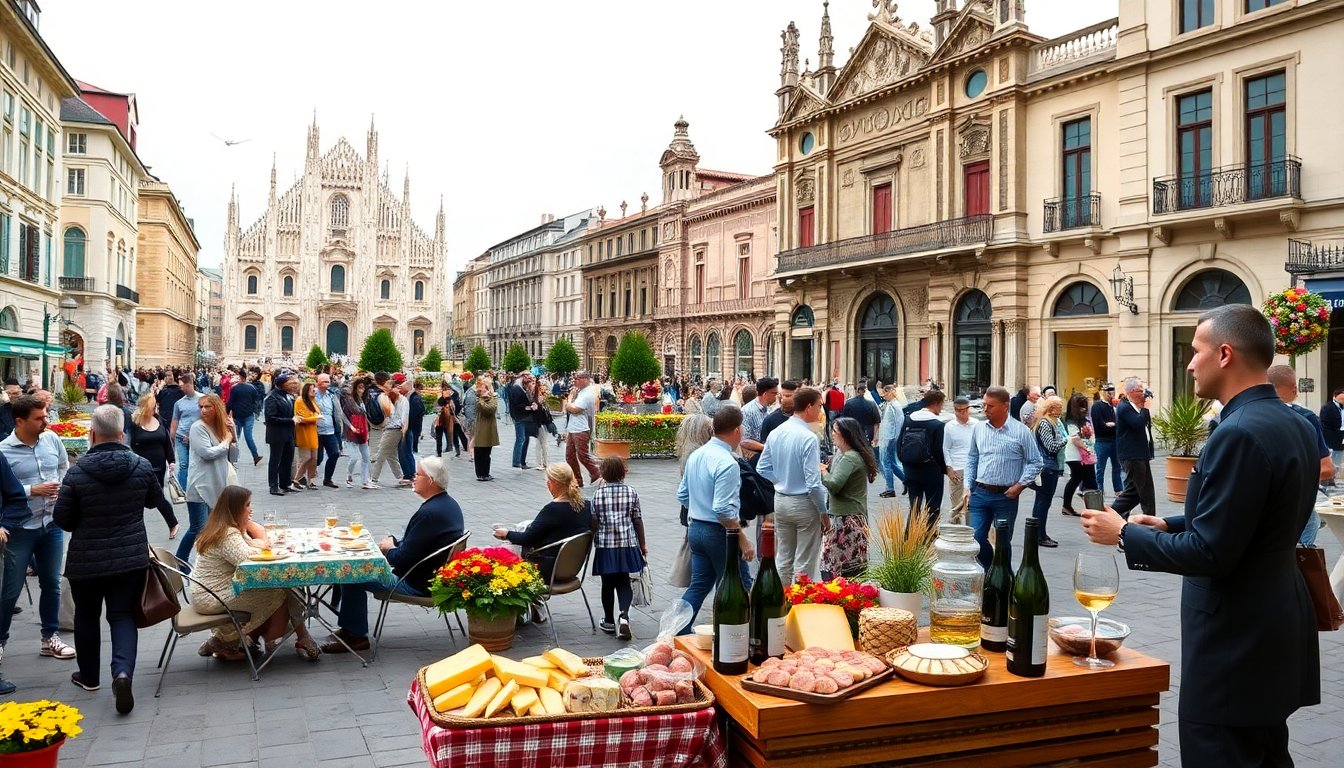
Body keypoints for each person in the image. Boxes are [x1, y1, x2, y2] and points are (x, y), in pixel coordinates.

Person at [1081, 303, 1318, 766]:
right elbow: (1250, 516)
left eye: (1196, 351)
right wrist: (1167, 523)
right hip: (1276, 628)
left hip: (1234, 644)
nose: (1189, 363)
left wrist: (1124, 533)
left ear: (1225, 354)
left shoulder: (1240, 432)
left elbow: (1211, 551)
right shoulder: (1294, 423)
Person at [52, 405, 165, 712]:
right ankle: (123, 673)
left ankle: (89, 677)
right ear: (122, 433)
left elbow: (62, 518)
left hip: (86, 560)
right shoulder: (140, 466)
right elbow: (155, 500)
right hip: (130, 558)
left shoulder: (76, 473)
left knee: (86, 616)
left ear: (91, 434)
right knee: (122, 616)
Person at [323, 457, 465, 653]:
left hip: (415, 583)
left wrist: (389, 549)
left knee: (351, 573)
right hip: (431, 576)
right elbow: (422, 542)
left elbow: (403, 558)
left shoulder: (429, 513)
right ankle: (350, 627)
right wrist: (395, 543)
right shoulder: (448, 505)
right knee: (356, 567)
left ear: (431, 480)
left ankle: (355, 636)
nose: (413, 478)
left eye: (417, 474)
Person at [189, 485, 321, 662]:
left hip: (209, 591)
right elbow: (249, 560)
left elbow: (253, 545)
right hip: (210, 596)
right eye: (247, 505)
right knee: (281, 588)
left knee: (283, 585)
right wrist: (258, 537)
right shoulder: (227, 534)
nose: (251, 509)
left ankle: (226, 640)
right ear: (235, 509)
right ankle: (286, 636)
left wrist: (254, 535)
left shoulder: (226, 527)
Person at [0, 395, 74, 663]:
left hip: (51, 523)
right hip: (20, 528)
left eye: (46, 416)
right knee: (11, 589)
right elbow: (3, 491)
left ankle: (49, 638)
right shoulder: (4, 451)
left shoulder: (52, 440)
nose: (46, 421)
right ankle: (1, 641)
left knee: (51, 583)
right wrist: (33, 490)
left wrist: (61, 487)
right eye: (39, 418)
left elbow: (63, 466)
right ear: (19, 421)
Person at [677, 406, 755, 633]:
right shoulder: (727, 462)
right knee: (737, 585)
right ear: (737, 431)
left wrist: (700, 507)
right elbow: (722, 510)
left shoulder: (697, 455)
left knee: (699, 585)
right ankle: (736, 635)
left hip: (697, 528)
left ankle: (678, 630)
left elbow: (682, 495)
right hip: (718, 532)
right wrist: (743, 539)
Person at [964, 386, 1043, 568]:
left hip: (1006, 496)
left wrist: (1020, 485)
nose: (985, 409)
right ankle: (989, 572)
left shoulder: (1020, 431)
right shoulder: (979, 429)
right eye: (984, 405)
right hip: (980, 492)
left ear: (1005, 406)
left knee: (1003, 542)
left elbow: (1036, 461)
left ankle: (1003, 579)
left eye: (990, 406)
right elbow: (972, 458)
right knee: (975, 538)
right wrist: (968, 486)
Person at [757, 389, 829, 585]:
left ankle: (782, 603)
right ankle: (798, 605)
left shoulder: (777, 432)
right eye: (819, 406)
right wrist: (823, 513)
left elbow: (762, 467)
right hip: (804, 502)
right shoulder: (808, 437)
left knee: (784, 558)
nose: (820, 410)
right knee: (804, 561)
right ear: (809, 407)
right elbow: (814, 483)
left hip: (781, 500)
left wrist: (779, 479)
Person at [494, 463, 591, 596]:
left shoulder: (552, 510)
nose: (547, 484)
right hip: (572, 568)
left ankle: (522, 606)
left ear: (555, 483)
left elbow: (527, 538)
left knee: (506, 551)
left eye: (549, 481)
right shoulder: (586, 506)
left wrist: (506, 534)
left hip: (548, 569)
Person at [1267, 364, 1334, 546]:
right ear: (1295, 388)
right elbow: (1327, 469)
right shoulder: (1304, 417)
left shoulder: (1234, 416)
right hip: (1295, 506)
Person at [589, 457, 648, 640]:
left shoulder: (597, 494)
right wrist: (643, 544)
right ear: (623, 473)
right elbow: (637, 520)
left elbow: (594, 521)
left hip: (606, 545)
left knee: (607, 584)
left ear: (603, 473)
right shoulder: (631, 492)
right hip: (627, 543)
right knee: (623, 581)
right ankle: (624, 616)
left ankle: (608, 620)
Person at [179, 393, 236, 563]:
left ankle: (210, 562)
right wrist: (226, 442)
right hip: (200, 486)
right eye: (201, 406)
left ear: (217, 408)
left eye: (207, 406)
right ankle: (180, 561)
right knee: (197, 528)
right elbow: (206, 454)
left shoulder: (221, 428)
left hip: (217, 485)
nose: (203, 410)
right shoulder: (198, 427)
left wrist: (232, 433)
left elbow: (234, 456)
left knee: (213, 529)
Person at [820, 416, 877, 580]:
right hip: (844, 517)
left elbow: (834, 485)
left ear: (845, 435)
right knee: (842, 566)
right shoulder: (842, 454)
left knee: (836, 567)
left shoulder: (850, 458)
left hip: (846, 519)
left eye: (835, 431)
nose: (832, 434)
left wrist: (822, 471)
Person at [128, 394, 179, 537]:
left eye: (155, 405)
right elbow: (130, 443)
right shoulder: (135, 422)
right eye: (152, 406)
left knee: (157, 496)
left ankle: (172, 523)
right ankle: (138, 531)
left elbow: (166, 443)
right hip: (141, 467)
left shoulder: (159, 419)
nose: (155, 408)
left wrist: (172, 461)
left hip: (159, 467)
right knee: (141, 498)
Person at [898, 389, 948, 523]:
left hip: (911, 469)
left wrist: (905, 463)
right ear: (937, 403)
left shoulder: (909, 419)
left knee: (914, 507)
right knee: (933, 506)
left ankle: (910, 538)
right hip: (931, 470)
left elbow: (899, 444)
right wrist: (944, 469)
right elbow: (938, 451)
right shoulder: (937, 424)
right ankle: (928, 536)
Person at [1111, 377, 1157, 519]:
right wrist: (1145, 408)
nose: (1144, 394)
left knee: (1142, 491)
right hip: (1132, 455)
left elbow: (1145, 426)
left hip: (1141, 454)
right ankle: (1112, 514)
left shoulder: (1137, 406)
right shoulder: (1124, 407)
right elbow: (1137, 423)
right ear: (1131, 392)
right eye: (1140, 391)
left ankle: (1148, 518)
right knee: (1139, 491)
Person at [1027, 396, 1066, 549]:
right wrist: (1066, 440)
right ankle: (1038, 535)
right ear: (1051, 408)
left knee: (1043, 502)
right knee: (1043, 502)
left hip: (1050, 466)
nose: (1061, 409)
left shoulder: (1051, 422)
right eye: (1058, 406)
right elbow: (1051, 446)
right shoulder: (1045, 423)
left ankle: (1040, 533)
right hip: (1047, 466)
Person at [1060, 393, 1098, 516]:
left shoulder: (1083, 419)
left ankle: (1088, 507)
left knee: (1083, 479)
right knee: (1081, 479)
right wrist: (1086, 448)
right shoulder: (1072, 421)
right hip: (1076, 455)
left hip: (1083, 455)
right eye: (1081, 406)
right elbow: (1075, 439)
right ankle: (1090, 508)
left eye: (1085, 406)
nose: (1084, 408)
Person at [370, 373, 410, 488]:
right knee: (391, 455)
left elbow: (403, 417)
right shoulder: (389, 399)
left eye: (397, 387)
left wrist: (403, 430)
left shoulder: (402, 401)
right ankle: (400, 476)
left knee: (381, 454)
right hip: (389, 429)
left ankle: (373, 478)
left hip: (394, 430)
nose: (395, 390)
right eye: (393, 387)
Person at [563, 371, 602, 486]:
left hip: (581, 428)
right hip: (574, 428)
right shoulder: (581, 392)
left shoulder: (588, 393)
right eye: (574, 378)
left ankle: (597, 473)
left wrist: (569, 400)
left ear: (586, 379)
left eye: (578, 378)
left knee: (583, 455)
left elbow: (575, 409)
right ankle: (577, 479)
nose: (575, 381)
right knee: (570, 456)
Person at [263, 372, 298, 497]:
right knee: (275, 460)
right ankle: (273, 485)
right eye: (290, 382)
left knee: (287, 459)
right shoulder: (272, 397)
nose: (293, 384)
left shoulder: (288, 396)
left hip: (288, 433)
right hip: (277, 434)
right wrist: (291, 420)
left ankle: (285, 483)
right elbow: (270, 418)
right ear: (282, 384)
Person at [168, 372, 203, 491]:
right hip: (181, 436)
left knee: (196, 463)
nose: (180, 387)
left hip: (197, 437)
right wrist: (172, 435)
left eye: (182, 384)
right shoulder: (179, 403)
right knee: (183, 465)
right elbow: (175, 419)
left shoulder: (202, 400)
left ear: (189, 384)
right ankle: (183, 490)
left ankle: (196, 486)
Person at [942, 396, 975, 523]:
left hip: (973, 468)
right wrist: (949, 468)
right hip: (957, 468)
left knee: (972, 505)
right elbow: (946, 448)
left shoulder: (976, 424)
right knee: (957, 505)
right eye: (958, 410)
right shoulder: (950, 426)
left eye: (964, 410)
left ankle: (971, 533)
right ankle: (956, 532)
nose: (962, 413)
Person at [313, 373, 348, 489]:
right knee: (317, 458)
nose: (327, 384)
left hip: (331, 430)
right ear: (318, 382)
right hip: (315, 430)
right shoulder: (312, 394)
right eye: (324, 382)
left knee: (334, 453)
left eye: (328, 381)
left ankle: (327, 479)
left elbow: (339, 412)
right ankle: (307, 477)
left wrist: (346, 426)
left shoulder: (332, 395)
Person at [1089, 383, 1122, 496]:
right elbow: (1099, 425)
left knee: (1117, 466)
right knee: (1100, 468)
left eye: (1113, 392)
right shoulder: (1097, 406)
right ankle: (1099, 488)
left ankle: (1118, 489)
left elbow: (1118, 423)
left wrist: (1112, 425)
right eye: (1109, 392)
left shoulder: (1114, 407)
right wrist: (1110, 425)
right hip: (1102, 441)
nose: (1111, 395)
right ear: (1105, 392)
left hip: (1114, 441)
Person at [225, 370, 263, 467]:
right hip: (248, 416)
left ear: (240, 377)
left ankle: (230, 459)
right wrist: (255, 411)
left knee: (234, 437)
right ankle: (255, 456)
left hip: (237, 416)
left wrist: (226, 413)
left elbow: (230, 402)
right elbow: (256, 400)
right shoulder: (252, 388)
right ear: (246, 377)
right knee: (248, 436)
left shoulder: (235, 388)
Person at [875, 384, 906, 499]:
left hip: (890, 437)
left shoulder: (895, 405)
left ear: (892, 392)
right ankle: (906, 481)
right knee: (891, 462)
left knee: (885, 462)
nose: (885, 395)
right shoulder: (889, 405)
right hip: (886, 436)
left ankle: (890, 488)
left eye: (887, 392)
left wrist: (897, 437)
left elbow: (899, 422)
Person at [341, 378, 373, 489]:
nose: (362, 390)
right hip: (352, 431)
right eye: (360, 387)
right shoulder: (349, 400)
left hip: (362, 430)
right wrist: (351, 427)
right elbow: (343, 415)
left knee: (366, 457)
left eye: (363, 388)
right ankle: (349, 475)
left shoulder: (362, 400)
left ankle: (364, 480)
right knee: (354, 457)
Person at [738, 377, 778, 463]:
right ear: (765, 394)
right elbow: (744, 440)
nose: (777, 396)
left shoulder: (769, 409)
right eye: (774, 393)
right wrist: (766, 448)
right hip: (755, 459)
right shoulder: (747, 411)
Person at [292, 382, 320, 491]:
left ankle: (310, 480)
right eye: (312, 390)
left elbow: (317, 412)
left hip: (312, 432)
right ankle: (296, 479)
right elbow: (301, 418)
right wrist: (314, 418)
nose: (314, 391)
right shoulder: (300, 401)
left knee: (314, 458)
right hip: (303, 432)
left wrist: (314, 417)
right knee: (305, 457)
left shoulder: (312, 401)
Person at [472, 376, 500, 481]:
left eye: (482, 387)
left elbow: (489, 410)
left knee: (486, 452)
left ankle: (485, 473)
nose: (480, 389)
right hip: (480, 428)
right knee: (478, 451)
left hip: (488, 429)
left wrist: (481, 400)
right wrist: (480, 399)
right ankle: (480, 473)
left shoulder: (492, 399)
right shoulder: (479, 399)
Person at [758, 379, 798, 449]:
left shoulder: (803, 418)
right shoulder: (770, 420)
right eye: (783, 396)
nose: (784, 399)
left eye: (788, 396)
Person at [508, 372, 537, 469]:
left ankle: (521, 461)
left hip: (524, 416)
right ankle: (517, 461)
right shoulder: (517, 387)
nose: (529, 380)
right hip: (520, 416)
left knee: (525, 438)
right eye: (528, 377)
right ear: (523, 376)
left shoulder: (521, 386)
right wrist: (528, 407)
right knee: (521, 439)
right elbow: (516, 405)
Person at [399, 378, 426, 481]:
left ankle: (411, 473)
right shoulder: (412, 397)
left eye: (402, 386)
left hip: (410, 428)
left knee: (408, 451)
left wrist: (408, 426)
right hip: (411, 428)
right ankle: (411, 473)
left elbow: (415, 414)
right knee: (409, 451)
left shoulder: (413, 398)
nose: (400, 388)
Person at [528, 376, 552, 470]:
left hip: (543, 423)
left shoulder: (543, 398)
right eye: (542, 386)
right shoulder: (534, 398)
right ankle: (541, 463)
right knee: (540, 443)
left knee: (543, 443)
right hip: (538, 423)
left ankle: (544, 462)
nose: (544, 388)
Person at [1319, 387, 1344, 473]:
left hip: (1342, 437)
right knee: (1334, 458)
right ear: (1334, 397)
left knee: (1340, 458)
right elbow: (1323, 424)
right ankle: (1332, 474)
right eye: (1342, 398)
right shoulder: (1327, 407)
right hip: (1332, 437)